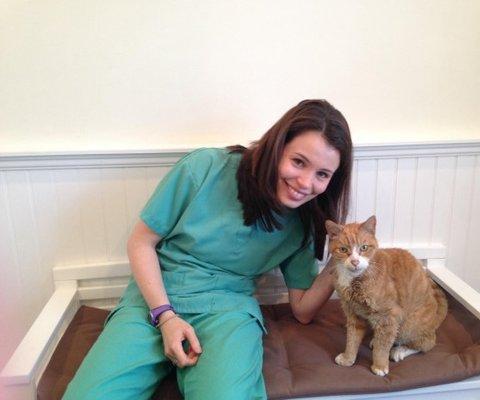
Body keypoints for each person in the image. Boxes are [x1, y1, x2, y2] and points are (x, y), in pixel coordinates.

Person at [63, 99, 353, 400]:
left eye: (323, 174)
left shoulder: (305, 221)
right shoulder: (205, 167)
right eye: (298, 162)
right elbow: (141, 241)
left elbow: (303, 310)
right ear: (277, 146)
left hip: (228, 312)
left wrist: (344, 259)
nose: (305, 183)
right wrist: (166, 317)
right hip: (154, 299)